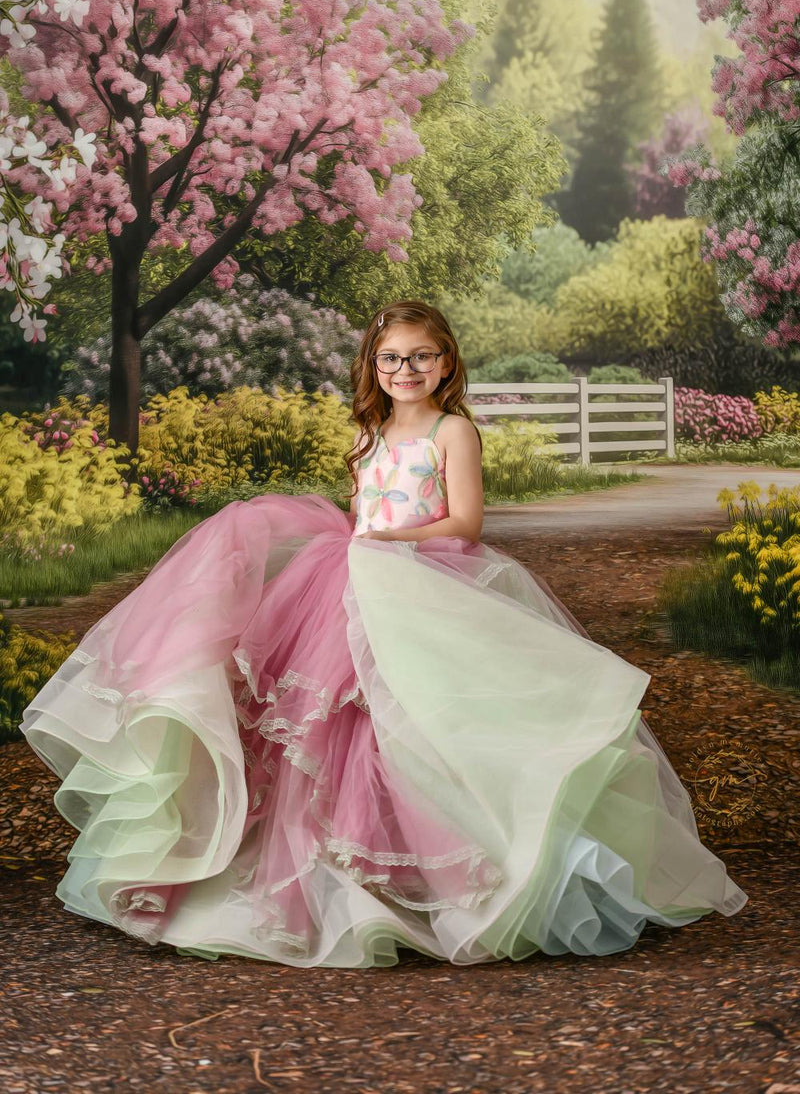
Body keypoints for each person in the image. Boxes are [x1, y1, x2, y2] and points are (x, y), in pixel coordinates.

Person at [20, 299, 747, 968]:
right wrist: (354, 545)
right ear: (373, 364)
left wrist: (389, 542)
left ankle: (456, 866)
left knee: (419, 721)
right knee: (330, 725)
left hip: (422, 579)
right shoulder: (370, 433)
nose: (406, 370)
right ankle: (333, 872)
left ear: (446, 363)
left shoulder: (450, 430)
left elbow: (465, 522)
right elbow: (361, 508)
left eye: (421, 357)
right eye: (391, 358)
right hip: (352, 581)